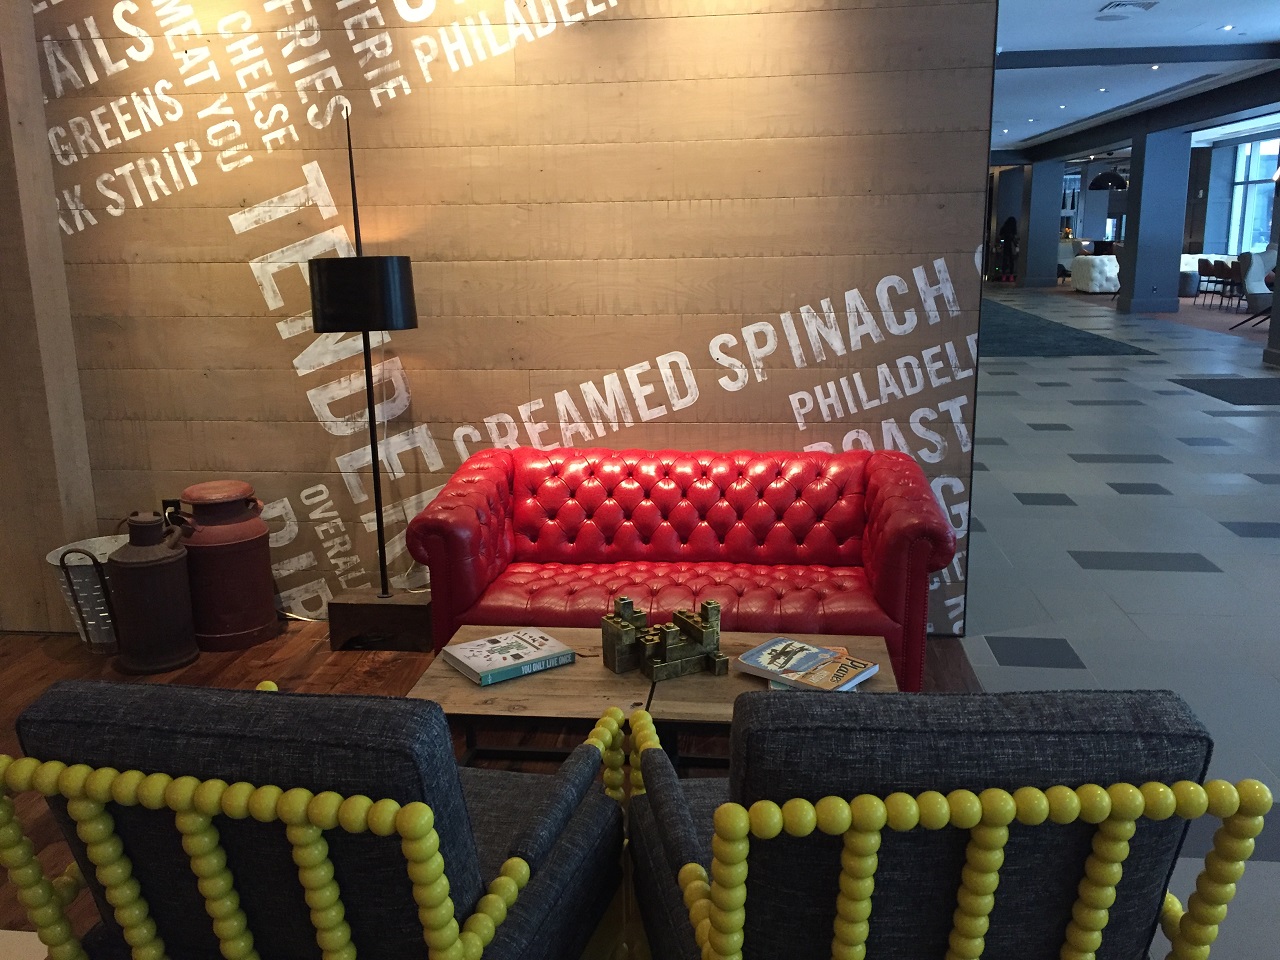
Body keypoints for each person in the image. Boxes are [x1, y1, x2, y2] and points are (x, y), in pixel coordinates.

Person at [997, 217, 1018, 281]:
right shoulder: (1013, 229)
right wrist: (1016, 246)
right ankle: (1011, 276)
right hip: (1011, 246)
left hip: (1005, 246)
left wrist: (1001, 243)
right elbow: (1014, 238)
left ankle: (1004, 276)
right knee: (1011, 261)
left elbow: (1001, 237)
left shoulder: (1004, 228)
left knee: (1005, 261)